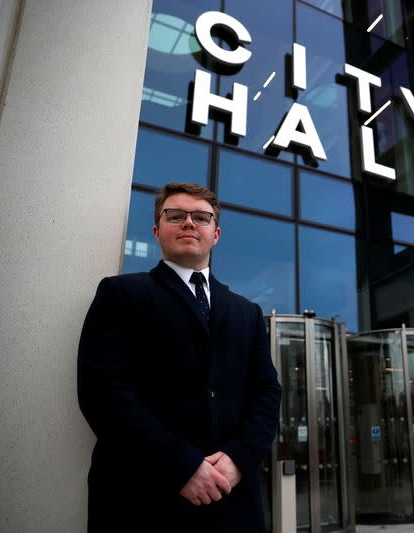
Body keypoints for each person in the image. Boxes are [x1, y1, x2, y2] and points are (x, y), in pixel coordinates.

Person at [78, 183, 282, 532]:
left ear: (215, 234)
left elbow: (266, 394)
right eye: (176, 215)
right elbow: (103, 393)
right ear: (157, 231)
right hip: (143, 499)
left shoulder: (247, 312)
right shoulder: (121, 294)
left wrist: (238, 458)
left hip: (232, 501)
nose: (189, 222)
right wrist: (181, 465)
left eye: (201, 217)